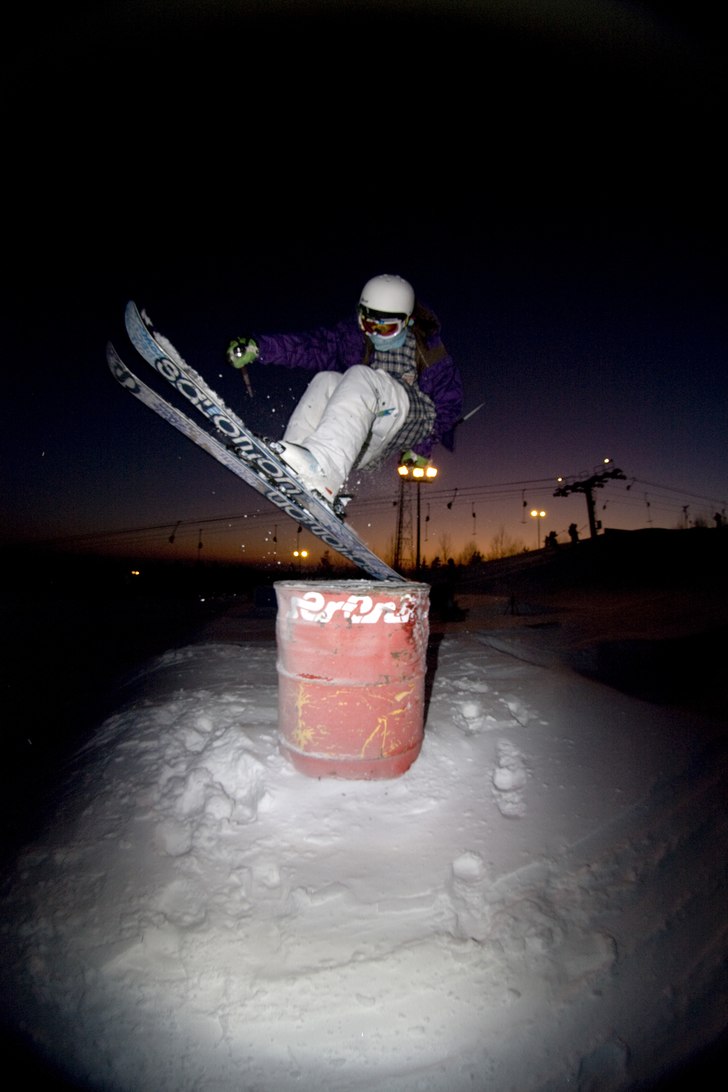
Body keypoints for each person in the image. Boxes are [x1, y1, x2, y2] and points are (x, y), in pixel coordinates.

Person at [226, 274, 463, 510]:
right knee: (326, 380)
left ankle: (322, 470)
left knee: (362, 376)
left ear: (408, 322)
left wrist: (422, 448)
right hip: (368, 430)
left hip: (413, 417)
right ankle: (295, 461)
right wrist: (260, 348)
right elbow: (311, 347)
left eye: (387, 328)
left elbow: (449, 404)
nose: (375, 334)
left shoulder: (430, 352)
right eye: (369, 325)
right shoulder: (353, 338)